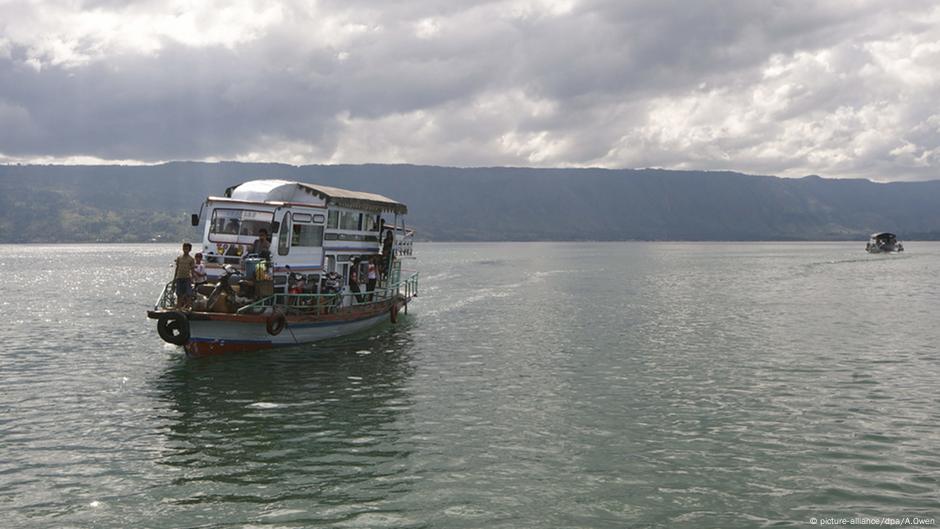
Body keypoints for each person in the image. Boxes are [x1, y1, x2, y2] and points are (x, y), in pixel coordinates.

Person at [174, 243, 196, 308]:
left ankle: (189, 307)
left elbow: (192, 270)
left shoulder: (191, 259)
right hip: (179, 277)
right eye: (184, 248)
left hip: (187, 278)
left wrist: (193, 279)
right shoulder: (179, 258)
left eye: (187, 248)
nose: (185, 250)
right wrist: (175, 278)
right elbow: (177, 268)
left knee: (188, 294)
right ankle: (178, 307)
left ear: (189, 250)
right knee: (179, 294)